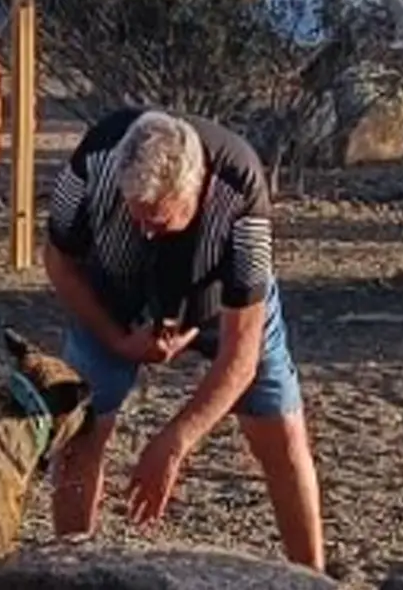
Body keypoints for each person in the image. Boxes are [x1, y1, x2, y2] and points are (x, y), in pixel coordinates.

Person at [43, 106, 325, 572]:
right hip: (114, 291)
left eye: (159, 220)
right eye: (135, 215)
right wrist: (117, 340)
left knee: (282, 432)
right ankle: (73, 571)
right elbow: (59, 261)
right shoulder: (90, 164)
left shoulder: (242, 196)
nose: (145, 229)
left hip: (221, 302)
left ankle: (314, 579)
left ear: (197, 189)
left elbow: (242, 353)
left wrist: (174, 442)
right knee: (80, 427)